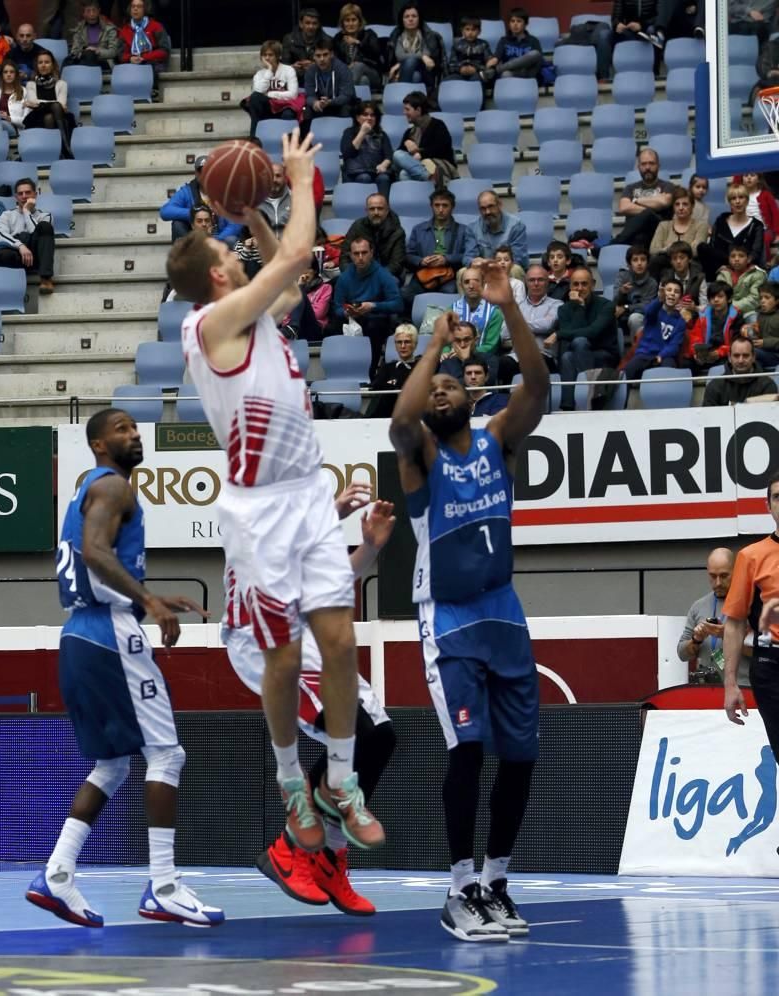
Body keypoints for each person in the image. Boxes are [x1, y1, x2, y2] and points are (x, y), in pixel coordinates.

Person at [167, 130, 385, 855]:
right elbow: (293, 258)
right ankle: (294, 782)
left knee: (343, 645)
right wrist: (295, 181)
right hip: (258, 511)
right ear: (220, 279)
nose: (239, 252)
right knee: (285, 659)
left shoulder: (250, 309)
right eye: (231, 254)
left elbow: (291, 281)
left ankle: (342, 784)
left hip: (306, 497)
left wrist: (251, 209)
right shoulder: (209, 324)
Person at [389, 261, 548, 942]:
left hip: (505, 613)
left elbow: (536, 389)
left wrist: (508, 308)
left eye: (456, 381)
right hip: (450, 621)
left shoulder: (495, 442)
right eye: (438, 387)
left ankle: (496, 882)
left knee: (520, 756)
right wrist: (434, 347)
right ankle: (457, 890)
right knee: (468, 751)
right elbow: (400, 417)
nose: (445, 390)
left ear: (473, 399)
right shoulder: (419, 454)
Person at [25, 408, 223, 929]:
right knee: (167, 754)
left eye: (136, 428)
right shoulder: (113, 486)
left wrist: (149, 597)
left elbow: (94, 558)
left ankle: (58, 873)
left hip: (81, 633)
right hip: (111, 634)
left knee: (112, 763)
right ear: (97, 445)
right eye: (121, 429)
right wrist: (147, 603)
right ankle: (163, 885)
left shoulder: (90, 488)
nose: (134, 434)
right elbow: (94, 552)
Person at [225, 486, 396, 915]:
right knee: (351, 728)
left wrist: (370, 547)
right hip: (261, 635)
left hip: (305, 632)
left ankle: (329, 860)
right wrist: (329, 513)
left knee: (380, 737)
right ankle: (289, 850)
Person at [723, 473, 779, 754]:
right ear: (768, 505)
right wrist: (730, 683)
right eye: (777, 497)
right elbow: (734, 623)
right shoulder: (751, 556)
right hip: (772, 667)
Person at [333, 235, 403, 375]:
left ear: (371, 253)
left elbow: (398, 304)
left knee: (374, 327)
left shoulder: (383, 274)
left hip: (376, 318)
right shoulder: (344, 278)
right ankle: (340, 373)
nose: (360, 257)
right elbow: (336, 307)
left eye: (364, 253)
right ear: (350, 255)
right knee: (331, 328)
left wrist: (373, 306)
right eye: (356, 253)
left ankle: (369, 374)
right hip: (352, 319)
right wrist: (346, 312)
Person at [678, 549, 750, 686]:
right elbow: (682, 654)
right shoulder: (698, 606)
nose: (717, 583)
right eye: (712, 576)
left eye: (724, 576)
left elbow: (763, 652)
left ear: (737, 571)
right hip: (706, 690)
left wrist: (728, 635)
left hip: (743, 689)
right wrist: (696, 639)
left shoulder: (751, 604)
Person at [556, 268, 619, 409]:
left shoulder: (606, 305)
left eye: (584, 284)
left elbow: (592, 333)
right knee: (568, 355)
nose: (580, 288)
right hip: (578, 352)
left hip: (605, 355)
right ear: (570, 286)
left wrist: (559, 334)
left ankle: (591, 394)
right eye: (576, 284)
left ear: (593, 284)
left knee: (579, 343)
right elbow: (572, 338)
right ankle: (568, 407)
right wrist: (580, 307)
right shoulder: (564, 309)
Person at [403, 187, 477, 305]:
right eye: (437, 205)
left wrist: (446, 259)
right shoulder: (419, 229)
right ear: (431, 206)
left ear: (452, 207)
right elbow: (408, 255)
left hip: (449, 275)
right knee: (406, 295)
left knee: (449, 295)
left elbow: (469, 256)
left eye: (445, 205)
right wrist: (421, 261)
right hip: (425, 273)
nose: (440, 209)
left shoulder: (463, 230)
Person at [0, 177, 55, 293]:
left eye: (28, 192)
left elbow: (35, 232)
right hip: (18, 255)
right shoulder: (6, 215)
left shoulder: (45, 216)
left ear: (35, 194)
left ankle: (46, 279)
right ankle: (11, 288)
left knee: (45, 227)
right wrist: (20, 246)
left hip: (38, 255)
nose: (24, 196)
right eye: (20, 193)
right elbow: (2, 235)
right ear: (16, 197)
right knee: (3, 254)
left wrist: (26, 212)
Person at [159, 156, 241, 245]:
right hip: (194, 240)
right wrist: (195, 213)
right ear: (196, 173)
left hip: (219, 239)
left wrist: (216, 240)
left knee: (231, 239)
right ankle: (190, 253)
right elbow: (165, 211)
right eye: (201, 171)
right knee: (177, 224)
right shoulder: (187, 191)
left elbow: (235, 224)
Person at [609, 147, 676, 249]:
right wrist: (652, 208)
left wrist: (636, 201)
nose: (647, 167)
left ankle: (613, 244)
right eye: (644, 164)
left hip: (658, 231)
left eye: (651, 163)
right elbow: (624, 207)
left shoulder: (667, 186)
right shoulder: (630, 188)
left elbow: (665, 201)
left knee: (648, 214)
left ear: (658, 165)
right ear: (638, 167)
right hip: (636, 236)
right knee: (640, 237)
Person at [698, 183, 766, 282]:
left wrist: (738, 264)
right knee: (702, 247)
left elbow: (755, 253)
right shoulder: (721, 220)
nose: (737, 201)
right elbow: (713, 247)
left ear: (747, 200)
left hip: (744, 267)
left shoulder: (756, 225)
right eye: (733, 198)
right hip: (721, 267)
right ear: (730, 202)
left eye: (741, 197)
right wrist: (722, 267)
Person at [622, 280, 686, 381]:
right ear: (663, 293)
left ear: (680, 297)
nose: (672, 293)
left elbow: (674, 345)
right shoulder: (655, 310)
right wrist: (659, 299)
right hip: (645, 353)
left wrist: (661, 355)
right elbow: (649, 312)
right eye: (669, 290)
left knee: (669, 368)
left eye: (676, 292)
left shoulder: (680, 321)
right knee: (627, 372)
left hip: (665, 356)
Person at [392, 90, 457, 185]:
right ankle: (428, 178)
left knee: (404, 174)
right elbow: (400, 158)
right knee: (397, 155)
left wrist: (421, 153)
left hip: (438, 166)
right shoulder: (409, 132)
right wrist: (406, 143)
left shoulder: (438, 125)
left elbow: (441, 149)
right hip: (422, 169)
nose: (404, 112)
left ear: (418, 110)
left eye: (407, 109)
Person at [241, 40, 301, 139]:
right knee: (254, 98)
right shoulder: (259, 74)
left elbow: (293, 94)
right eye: (265, 55)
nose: (267, 58)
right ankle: (254, 139)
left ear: (278, 56)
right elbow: (258, 93)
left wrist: (270, 94)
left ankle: (287, 144)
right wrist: (269, 70)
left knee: (288, 114)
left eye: (270, 55)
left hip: (284, 107)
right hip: (267, 108)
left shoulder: (289, 70)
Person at [339, 193, 406, 281]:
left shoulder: (398, 232)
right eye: (372, 209)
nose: (376, 212)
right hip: (359, 274)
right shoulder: (358, 226)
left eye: (380, 208)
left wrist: (373, 278)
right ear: (366, 210)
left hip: (387, 275)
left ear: (387, 210)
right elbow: (345, 255)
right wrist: (350, 274)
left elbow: (396, 264)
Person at [23, 50, 75, 160]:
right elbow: (34, 102)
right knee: (55, 107)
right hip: (37, 118)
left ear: (53, 65)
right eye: (40, 62)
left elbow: (61, 103)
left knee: (50, 117)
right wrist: (53, 104)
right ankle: (65, 148)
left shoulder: (61, 84)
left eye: (47, 62)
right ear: (36, 66)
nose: (43, 65)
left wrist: (41, 103)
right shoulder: (31, 84)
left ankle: (57, 150)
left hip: (57, 117)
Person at [684, 280, 744, 372]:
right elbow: (695, 337)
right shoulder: (703, 315)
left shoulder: (736, 317)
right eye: (712, 297)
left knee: (725, 365)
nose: (716, 300)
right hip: (705, 354)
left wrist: (719, 353)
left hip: (724, 355)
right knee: (686, 364)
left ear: (728, 299)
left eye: (720, 296)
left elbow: (736, 344)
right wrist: (696, 353)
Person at [301, 37, 355, 138]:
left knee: (347, 109)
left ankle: (344, 139)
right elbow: (309, 95)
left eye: (325, 55)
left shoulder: (343, 69)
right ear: (313, 57)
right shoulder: (310, 71)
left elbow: (347, 95)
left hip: (339, 105)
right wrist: (315, 102)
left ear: (331, 54)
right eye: (318, 56)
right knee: (306, 110)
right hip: (320, 106)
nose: (322, 59)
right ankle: (307, 144)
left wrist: (330, 102)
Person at [648, 186, 708, 276]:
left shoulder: (701, 226)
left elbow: (695, 251)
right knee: (656, 261)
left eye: (685, 204)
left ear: (692, 206)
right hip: (666, 264)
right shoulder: (664, 225)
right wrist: (683, 248)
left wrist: (668, 249)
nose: (680, 208)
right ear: (673, 207)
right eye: (677, 204)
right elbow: (653, 250)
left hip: (690, 265)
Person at [701, 334, 777, 405]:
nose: (741, 360)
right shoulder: (715, 386)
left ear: (753, 357)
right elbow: (707, 418)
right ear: (729, 358)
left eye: (746, 355)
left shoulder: (767, 385)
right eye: (736, 356)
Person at [340, 100, 393, 199]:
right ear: (357, 117)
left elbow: (389, 155)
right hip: (356, 172)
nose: (369, 118)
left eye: (372, 115)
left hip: (376, 171)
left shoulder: (382, 134)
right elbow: (347, 153)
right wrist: (362, 132)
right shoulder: (349, 132)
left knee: (384, 178)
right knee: (364, 177)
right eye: (365, 115)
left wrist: (384, 164)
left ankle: (384, 210)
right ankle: (363, 211)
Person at [119, 0, 171, 99]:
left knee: (148, 66)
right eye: (133, 6)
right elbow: (120, 55)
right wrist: (130, 58)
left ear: (145, 9)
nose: (135, 9)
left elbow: (164, 51)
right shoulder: (125, 30)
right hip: (132, 63)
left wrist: (144, 57)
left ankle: (153, 92)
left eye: (139, 6)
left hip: (153, 63)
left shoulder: (156, 26)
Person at [366, 322, 419, 417]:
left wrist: (392, 384)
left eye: (407, 342)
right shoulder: (387, 367)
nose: (403, 346)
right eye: (399, 342)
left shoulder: (421, 367)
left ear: (415, 344)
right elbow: (376, 388)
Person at [386, 5, 446, 88]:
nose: (410, 19)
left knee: (411, 62)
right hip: (403, 71)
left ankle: (402, 92)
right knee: (415, 76)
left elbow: (428, 55)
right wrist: (421, 56)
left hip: (426, 72)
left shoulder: (427, 35)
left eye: (414, 16)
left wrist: (401, 64)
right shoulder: (398, 35)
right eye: (407, 17)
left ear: (419, 19)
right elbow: (400, 55)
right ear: (402, 20)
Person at [514, 264, 560, 371]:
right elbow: (504, 334)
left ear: (547, 282)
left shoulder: (557, 305)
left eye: (540, 280)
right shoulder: (517, 306)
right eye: (531, 280)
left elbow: (547, 325)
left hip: (544, 354)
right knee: (504, 363)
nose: (536, 284)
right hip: (517, 355)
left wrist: (517, 325)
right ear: (526, 283)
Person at [452, 266, 506, 356]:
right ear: (461, 286)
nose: (471, 286)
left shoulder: (494, 313)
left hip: (482, 360)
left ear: (484, 284)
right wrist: (445, 353)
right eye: (466, 282)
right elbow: (444, 342)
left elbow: (491, 346)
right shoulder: (451, 310)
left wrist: (466, 353)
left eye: (476, 281)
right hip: (452, 358)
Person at [469, 190, 529, 270]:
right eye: (483, 209)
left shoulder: (516, 226)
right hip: (484, 270)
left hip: (507, 269)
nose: (487, 212)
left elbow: (519, 259)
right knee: (462, 272)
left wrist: (493, 265)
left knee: (516, 270)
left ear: (499, 205)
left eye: (491, 206)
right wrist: (473, 261)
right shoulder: (473, 228)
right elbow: (468, 257)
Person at [333, 4, 384, 90]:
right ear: (342, 23)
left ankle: (344, 94)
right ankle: (358, 101)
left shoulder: (369, 34)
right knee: (363, 81)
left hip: (373, 73)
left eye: (354, 20)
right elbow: (335, 60)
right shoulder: (338, 38)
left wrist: (357, 43)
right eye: (347, 20)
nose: (351, 24)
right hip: (351, 75)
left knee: (358, 66)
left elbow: (376, 53)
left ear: (359, 21)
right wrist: (347, 67)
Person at [613, 243, 659, 337]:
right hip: (620, 315)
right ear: (629, 264)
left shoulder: (652, 283)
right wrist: (622, 292)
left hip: (642, 317)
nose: (639, 263)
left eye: (643, 260)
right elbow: (615, 300)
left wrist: (626, 308)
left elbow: (647, 306)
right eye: (635, 260)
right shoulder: (622, 276)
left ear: (647, 263)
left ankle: (637, 347)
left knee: (634, 318)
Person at [282, 7, 331, 87]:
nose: (311, 27)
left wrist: (315, 66)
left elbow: (332, 67)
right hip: (294, 79)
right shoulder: (289, 39)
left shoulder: (327, 40)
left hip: (318, 81)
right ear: (301, 24)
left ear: (318, 25)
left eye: (314, 23)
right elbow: (284, 64)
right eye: (307, 23)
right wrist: (292, 68)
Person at [64, 2, 121, 69]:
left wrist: (97, 51)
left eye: (94, 10)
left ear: (99, 11)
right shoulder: (79, 30)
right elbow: (74, 51)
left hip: (104, 61)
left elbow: (113, 52)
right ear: (83, 13)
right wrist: (85, 52)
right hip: (84, 59)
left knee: (90, 55)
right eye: (88, 11)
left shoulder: (109, 29)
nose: (92, 14)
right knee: (67, 60)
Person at [716, 245, 766, 320]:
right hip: (725, 311)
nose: (736, 259)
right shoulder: (723, 274)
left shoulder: (757, 274)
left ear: (749, 259)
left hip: (749, 311)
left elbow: (755, 299)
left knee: (753, 320)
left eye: (741, 256)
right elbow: (718, 295)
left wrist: (730, 306)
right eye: (733, 256)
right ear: (729, 259)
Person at [658, 240, 708, 316]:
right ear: (671, 261)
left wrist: (694, 308)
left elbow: (705, 307)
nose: (678, 261)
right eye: (674, 258)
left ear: (689, 259)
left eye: (682, 258)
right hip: (669, 316)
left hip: (692, 317)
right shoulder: (666, 277)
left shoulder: (699, 277)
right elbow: (659, 302)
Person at [493, 7, 543, 79]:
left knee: (535, 53)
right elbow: (496, 57)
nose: (515, 24)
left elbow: (538, 61)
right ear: (509, 24)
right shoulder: (504, 40)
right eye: (512, 21)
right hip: (511, 73)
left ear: (525, 24)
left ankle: (498, 70)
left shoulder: (533, 41)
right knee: (506, 74)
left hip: (528, 73)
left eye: (519, 21)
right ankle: (500, 70)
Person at [445, 15, 496, 84]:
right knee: (446, 82)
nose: (470, 33)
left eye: (473, 30)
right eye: (467, 29)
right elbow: (451, 65)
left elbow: (489, 64)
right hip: (459, 73)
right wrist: (460, 69)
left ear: (479, 32)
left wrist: (476, 69)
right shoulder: (457, 45)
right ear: (462, 31)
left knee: (476, 81)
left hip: (477, 74)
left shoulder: (483, 45)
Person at [748, 280, 779, 369]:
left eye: (767, 297)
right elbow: (760, 336)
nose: (762, 301)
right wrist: (753, 333)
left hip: (776, 356)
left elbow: (765, 341)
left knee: (750, 352)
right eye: (761, 298)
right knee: (754, 361)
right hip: (764, 353)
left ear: (777, 300)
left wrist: (765, 342)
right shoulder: (760, 315)